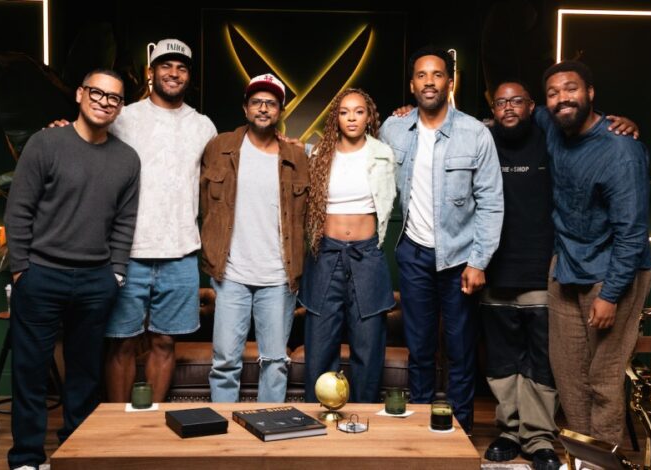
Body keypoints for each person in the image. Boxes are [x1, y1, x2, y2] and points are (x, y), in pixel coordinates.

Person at [51, 39, 217, 404]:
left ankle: (151, 420)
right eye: (165, 65)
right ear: (151, 72)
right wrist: (61, 131)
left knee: (165, 341)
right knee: (121, 342)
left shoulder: (204, 127)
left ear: (189, 76)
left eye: (182, 68)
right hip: (127, 254)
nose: (174, 73)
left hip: (181, 254)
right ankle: (117, 422)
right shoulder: (124, 117)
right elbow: (85, 140)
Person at [5, 69, 140, 470]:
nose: (104, 102)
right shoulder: (45, 143)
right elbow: (19, 210)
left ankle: (74, 456)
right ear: (81, 94)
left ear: (120, 107)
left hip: (97, 280)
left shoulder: (126, 159)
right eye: (97, 93)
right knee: (30, 373)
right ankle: (26, 458)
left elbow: (125, 221)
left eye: (114, 98)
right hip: (41, 274)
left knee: (85, 376)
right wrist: (21, 270)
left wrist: (116, 273)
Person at [379, 46, 504, 434]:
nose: (429, 82)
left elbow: (491, 202)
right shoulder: (393, 128)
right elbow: (353, 151)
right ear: (412, 85)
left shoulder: (475, 133)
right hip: (413, 255)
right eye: (421, 75)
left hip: (461, 258)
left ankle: (460, 433)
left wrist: (479, 261)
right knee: (419, 349)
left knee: (461, 351)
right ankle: (421, 432)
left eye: (437, 75)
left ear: (450, 82)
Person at [536, 60, 651, 445]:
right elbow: (515, 109)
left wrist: (611, 295)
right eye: (552, 93)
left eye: (570, 89)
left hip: (612, 271)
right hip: (566, 267)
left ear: (590, 92)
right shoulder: (552, 125)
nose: (561, 99)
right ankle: (583, 459)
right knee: (569, 376)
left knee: (603, 377)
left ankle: (604, 462)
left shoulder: (621, 150)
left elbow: (632, 233)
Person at [200, 73, 309, 403]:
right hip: (231, 275)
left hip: (278, 277)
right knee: (225, 363)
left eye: (271, 103)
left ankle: (269, 427)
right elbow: (202, 202)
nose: (263, 108)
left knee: (275, 363)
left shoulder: (297, 157)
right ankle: (222, 430)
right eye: (257, 102)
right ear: (245, 108)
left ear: (280, 111)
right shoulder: (219, 147)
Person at [480, 80, 560, 470]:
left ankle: (539, 436)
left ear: (532, 106)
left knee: (540, 359)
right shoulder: (482, 139)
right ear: (493, 109)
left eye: (516, 101)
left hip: (540, 268)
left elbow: (586, 122)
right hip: (494, 268)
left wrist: (620, 122)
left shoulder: (552, 137)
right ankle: (510, 431)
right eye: (501, 102)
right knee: (501, 358)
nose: (508, 108)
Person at [299, 88, 396, 403]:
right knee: (319, 345)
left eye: (358, 111)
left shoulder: (383, 154)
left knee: (368, 346)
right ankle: (318, 418)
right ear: (335, 118)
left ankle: (363, 419)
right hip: (325, 254)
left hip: (366, 255)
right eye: (344, 112)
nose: (351, 118)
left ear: (369, 117)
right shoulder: (319, 154)